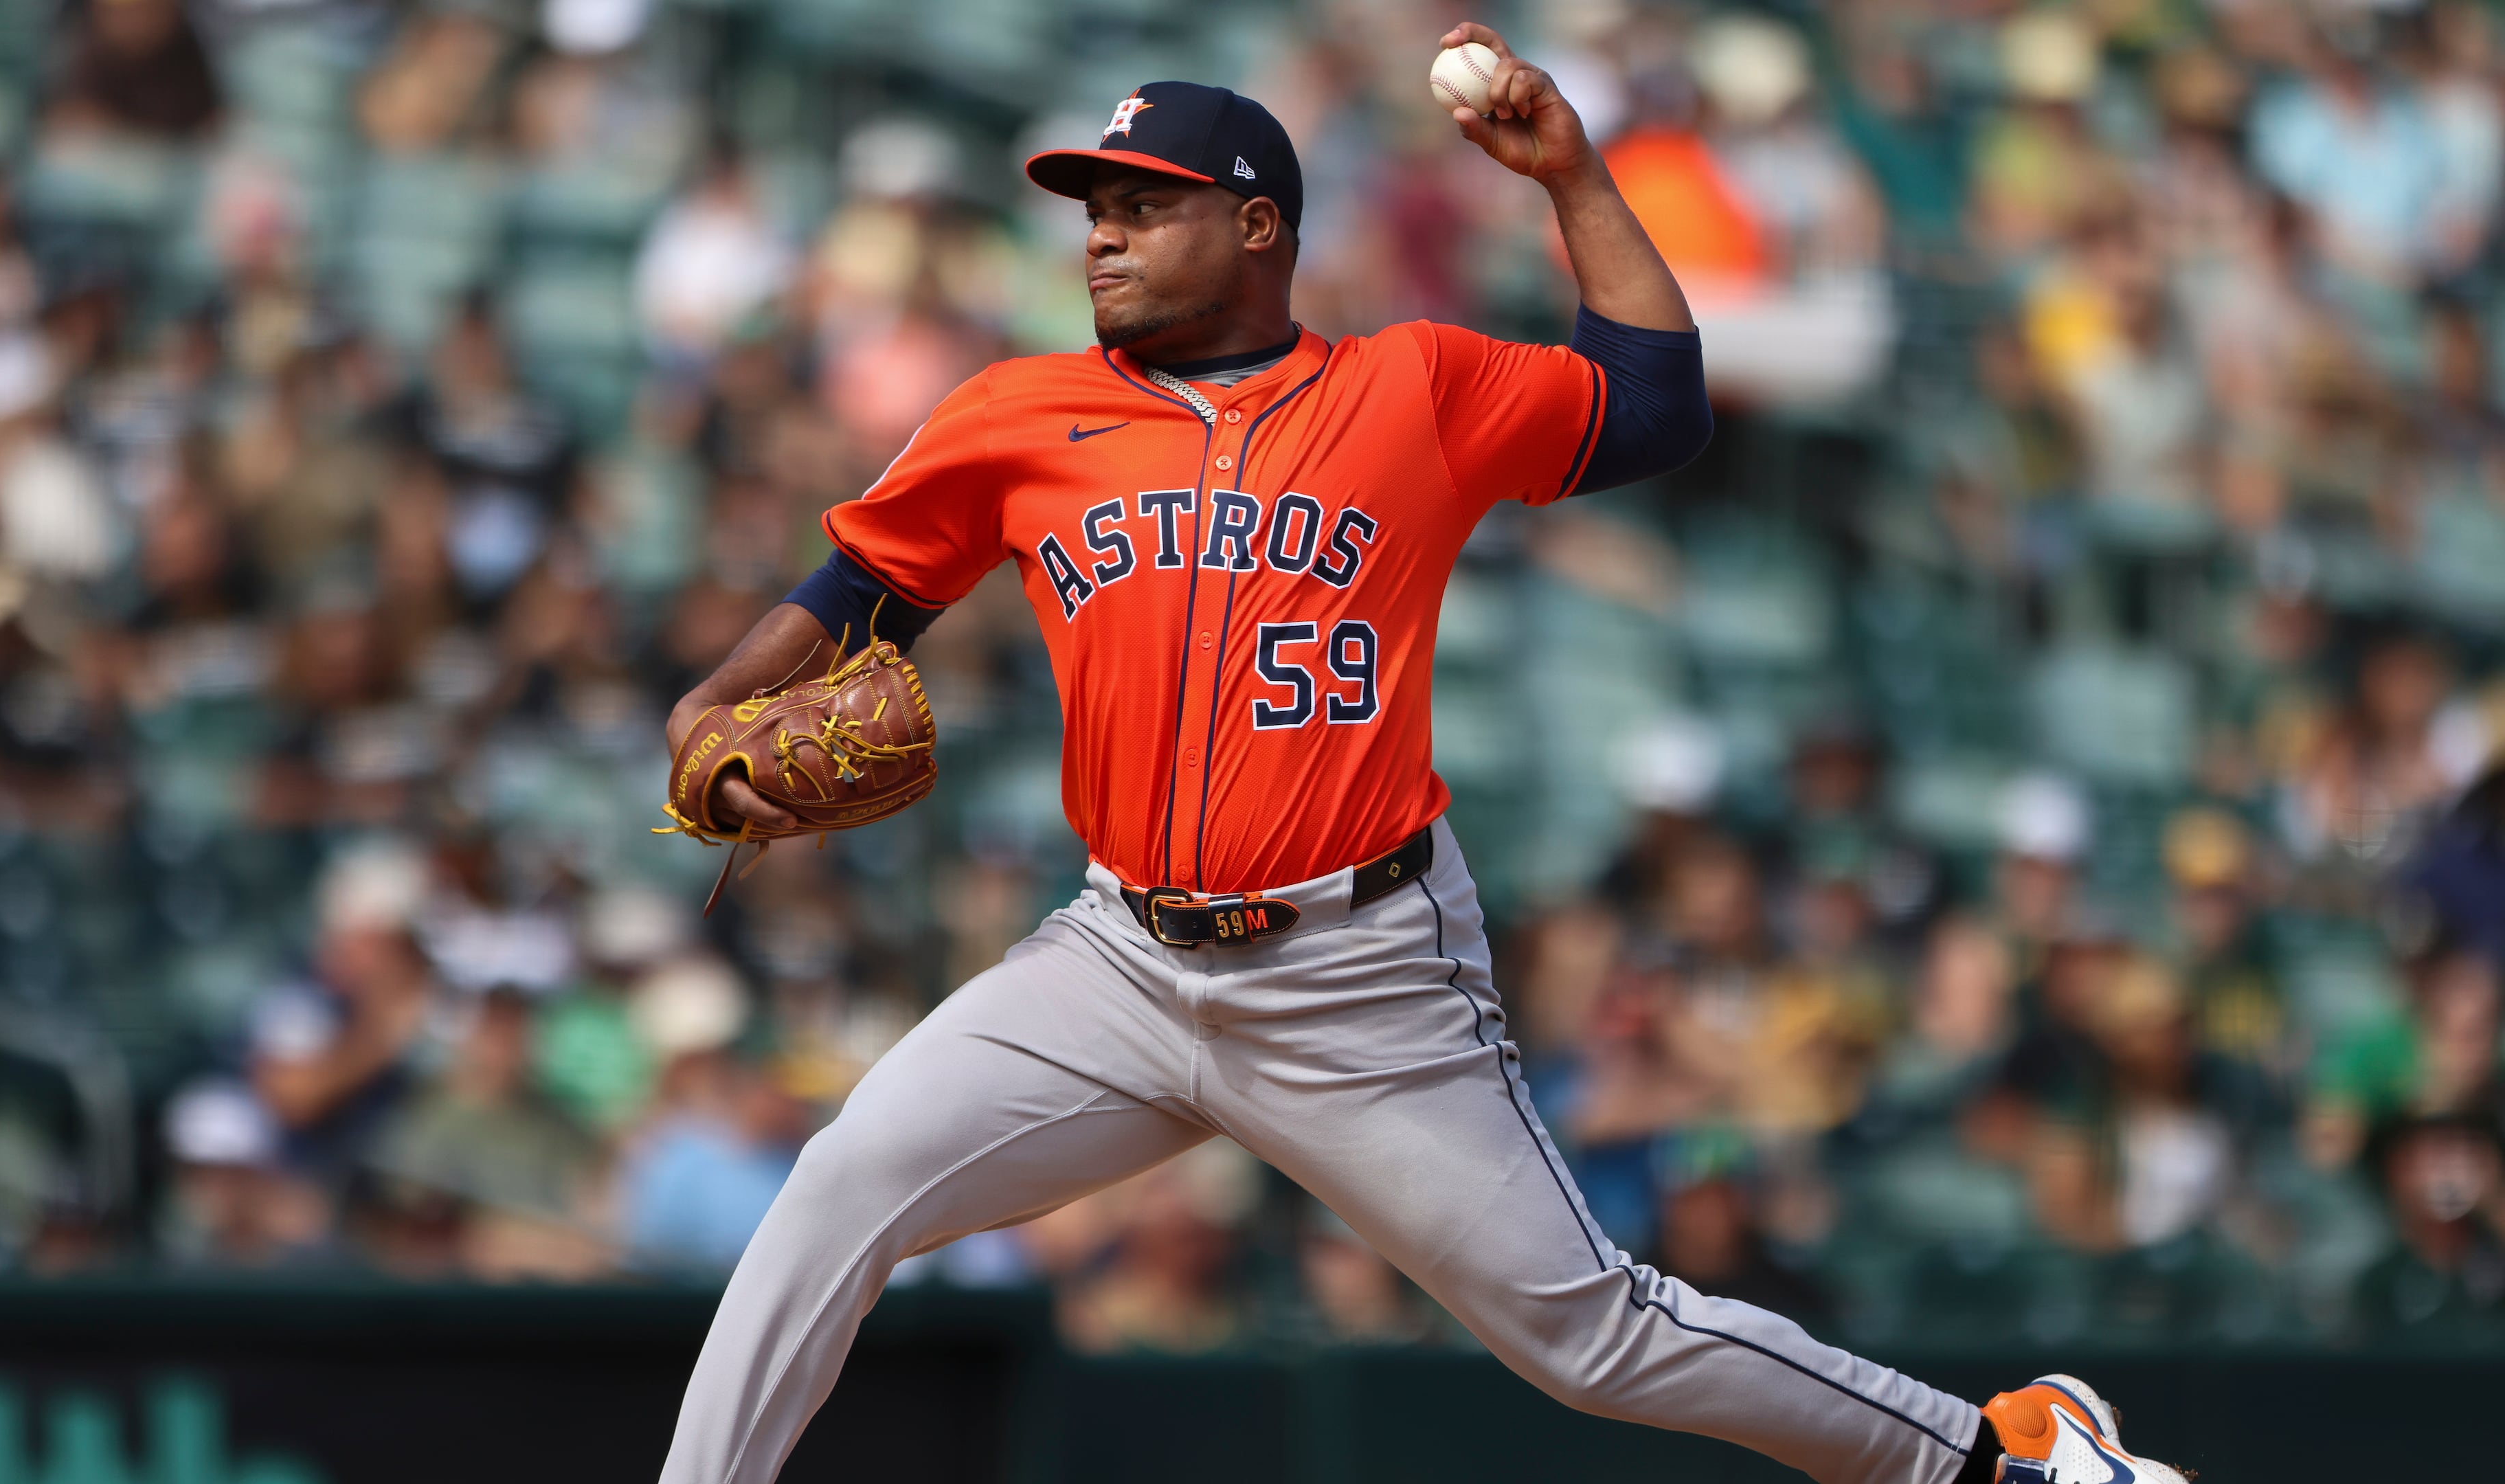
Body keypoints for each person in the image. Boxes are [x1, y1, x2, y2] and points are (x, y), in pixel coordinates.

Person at [655, 25, 2183, 1484]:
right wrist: (710, 704)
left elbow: (1658, 404)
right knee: (839, 1188)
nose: (1102, 238)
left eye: (1142, 207)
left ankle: (1998, 1452)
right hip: (1115, 961)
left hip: (1359, 968)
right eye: (1095, 211)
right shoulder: (1017, 414)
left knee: (1589, 1337)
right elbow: (861, 595)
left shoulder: (1415, 388)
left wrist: (1572, 178)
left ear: (1258, 229)